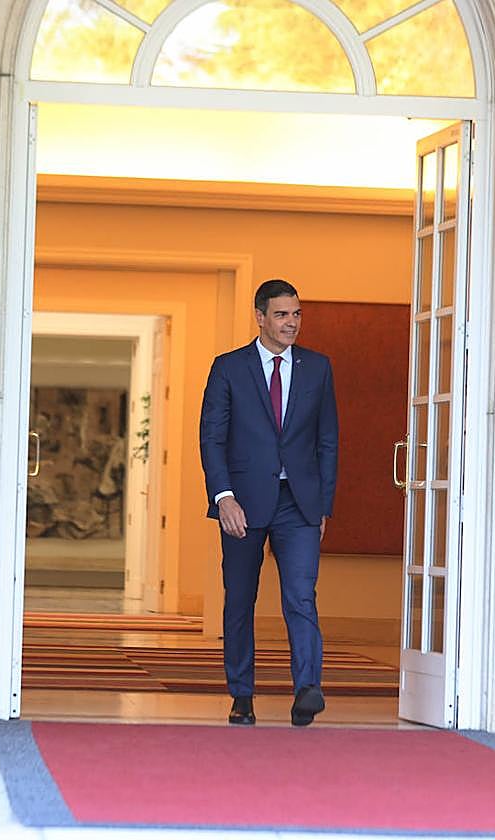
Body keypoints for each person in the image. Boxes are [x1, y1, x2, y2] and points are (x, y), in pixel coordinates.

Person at [199, 279, 339, 727]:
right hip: (241, 503)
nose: (291, 323)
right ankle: (241, 694)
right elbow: (212, 437)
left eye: (296, 314)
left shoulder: (317, 368)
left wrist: (322, 505)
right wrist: (223, 497)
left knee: (301, 595)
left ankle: (307, 688)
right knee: (240, 599)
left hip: (298, 504)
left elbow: (328, 440)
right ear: (260, 317)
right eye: (281, 315)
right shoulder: (228, 368)